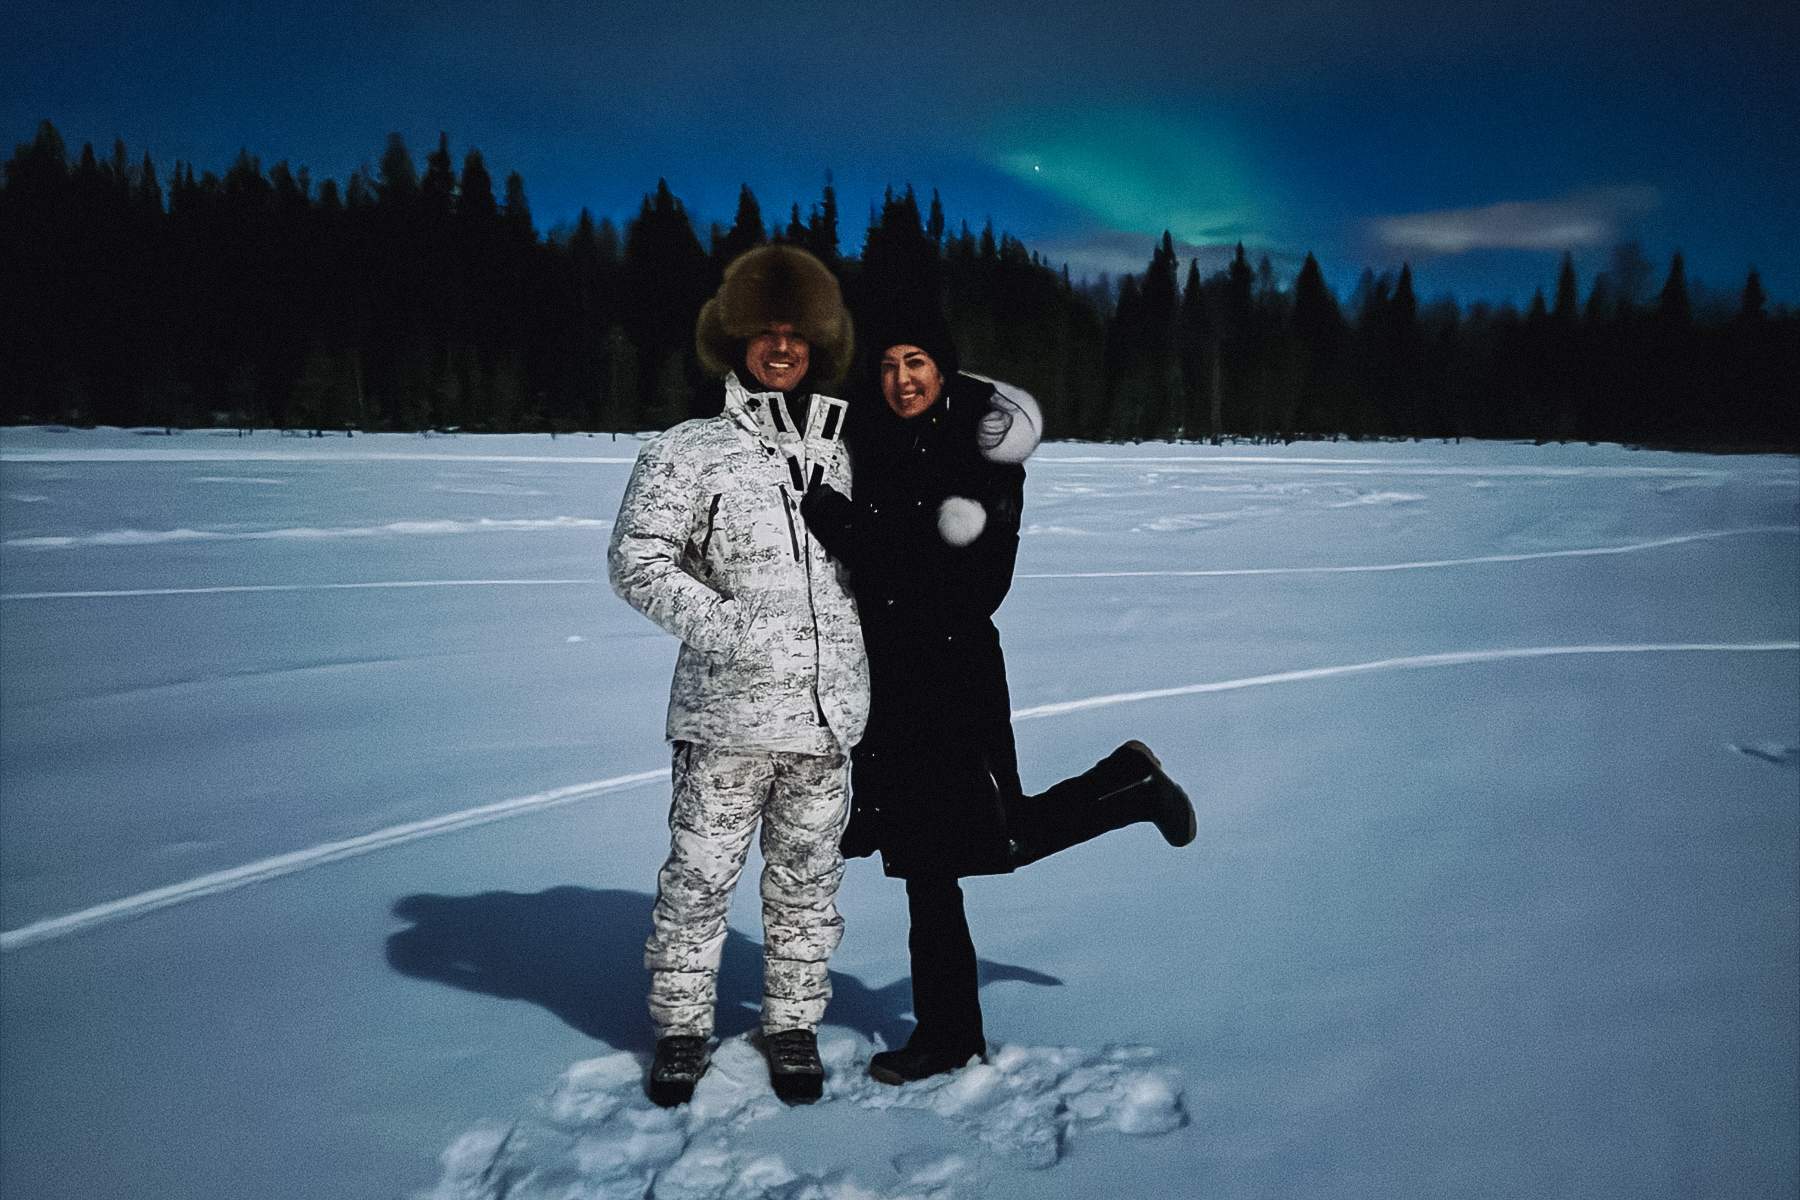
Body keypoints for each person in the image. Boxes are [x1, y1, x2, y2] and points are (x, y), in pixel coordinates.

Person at [799, 308, 1196, 1085]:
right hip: (886, 677)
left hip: (952, 677)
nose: (902, 378)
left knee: (997, 838)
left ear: (943, 370)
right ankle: (950, 1038)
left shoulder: (984, 458)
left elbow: (973, 586)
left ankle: (1129, 783)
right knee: (924, 862)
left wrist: (848, 533)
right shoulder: (871, 444)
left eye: (916, 361)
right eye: (887, 364)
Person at [607, 245, 868, 1107]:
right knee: (698, 880)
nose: (781, 349)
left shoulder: (844, 449)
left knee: (808, 884)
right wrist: (734, 630)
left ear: (820, 344)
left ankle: (792, 1025)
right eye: (765, 333)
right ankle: (683, 1032)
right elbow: (638, 560)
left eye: (797, 334)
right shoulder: (692, 450)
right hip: (726, 717)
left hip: (828, 721)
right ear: (735, 342)